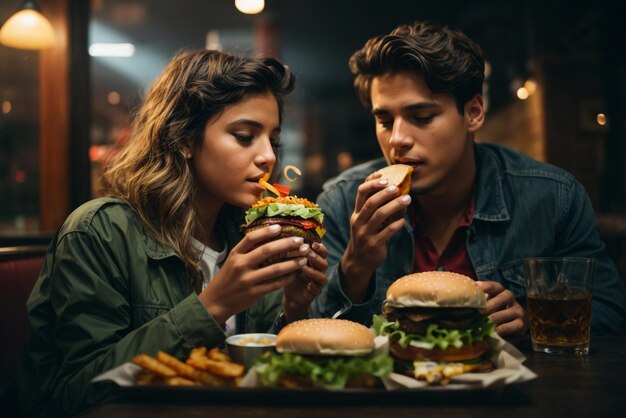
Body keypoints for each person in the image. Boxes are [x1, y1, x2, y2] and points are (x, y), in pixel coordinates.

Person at [14, 50, 329, 417]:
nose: (269, 157)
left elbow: (262, 387)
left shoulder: (252, 234)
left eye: (272, 140)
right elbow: (75, 394)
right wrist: (212, 307)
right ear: (184, 139)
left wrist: (292, 314)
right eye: (245, 136)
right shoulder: (97, 232)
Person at [311, 21, 626, 338]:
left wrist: (533, 322)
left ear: (474, 112)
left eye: (421, 117)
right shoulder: (342, 202)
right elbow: (314, 331)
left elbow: (611, 313)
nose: (397, 139)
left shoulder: (555, 198)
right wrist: (356, 265)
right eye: (384, 120)